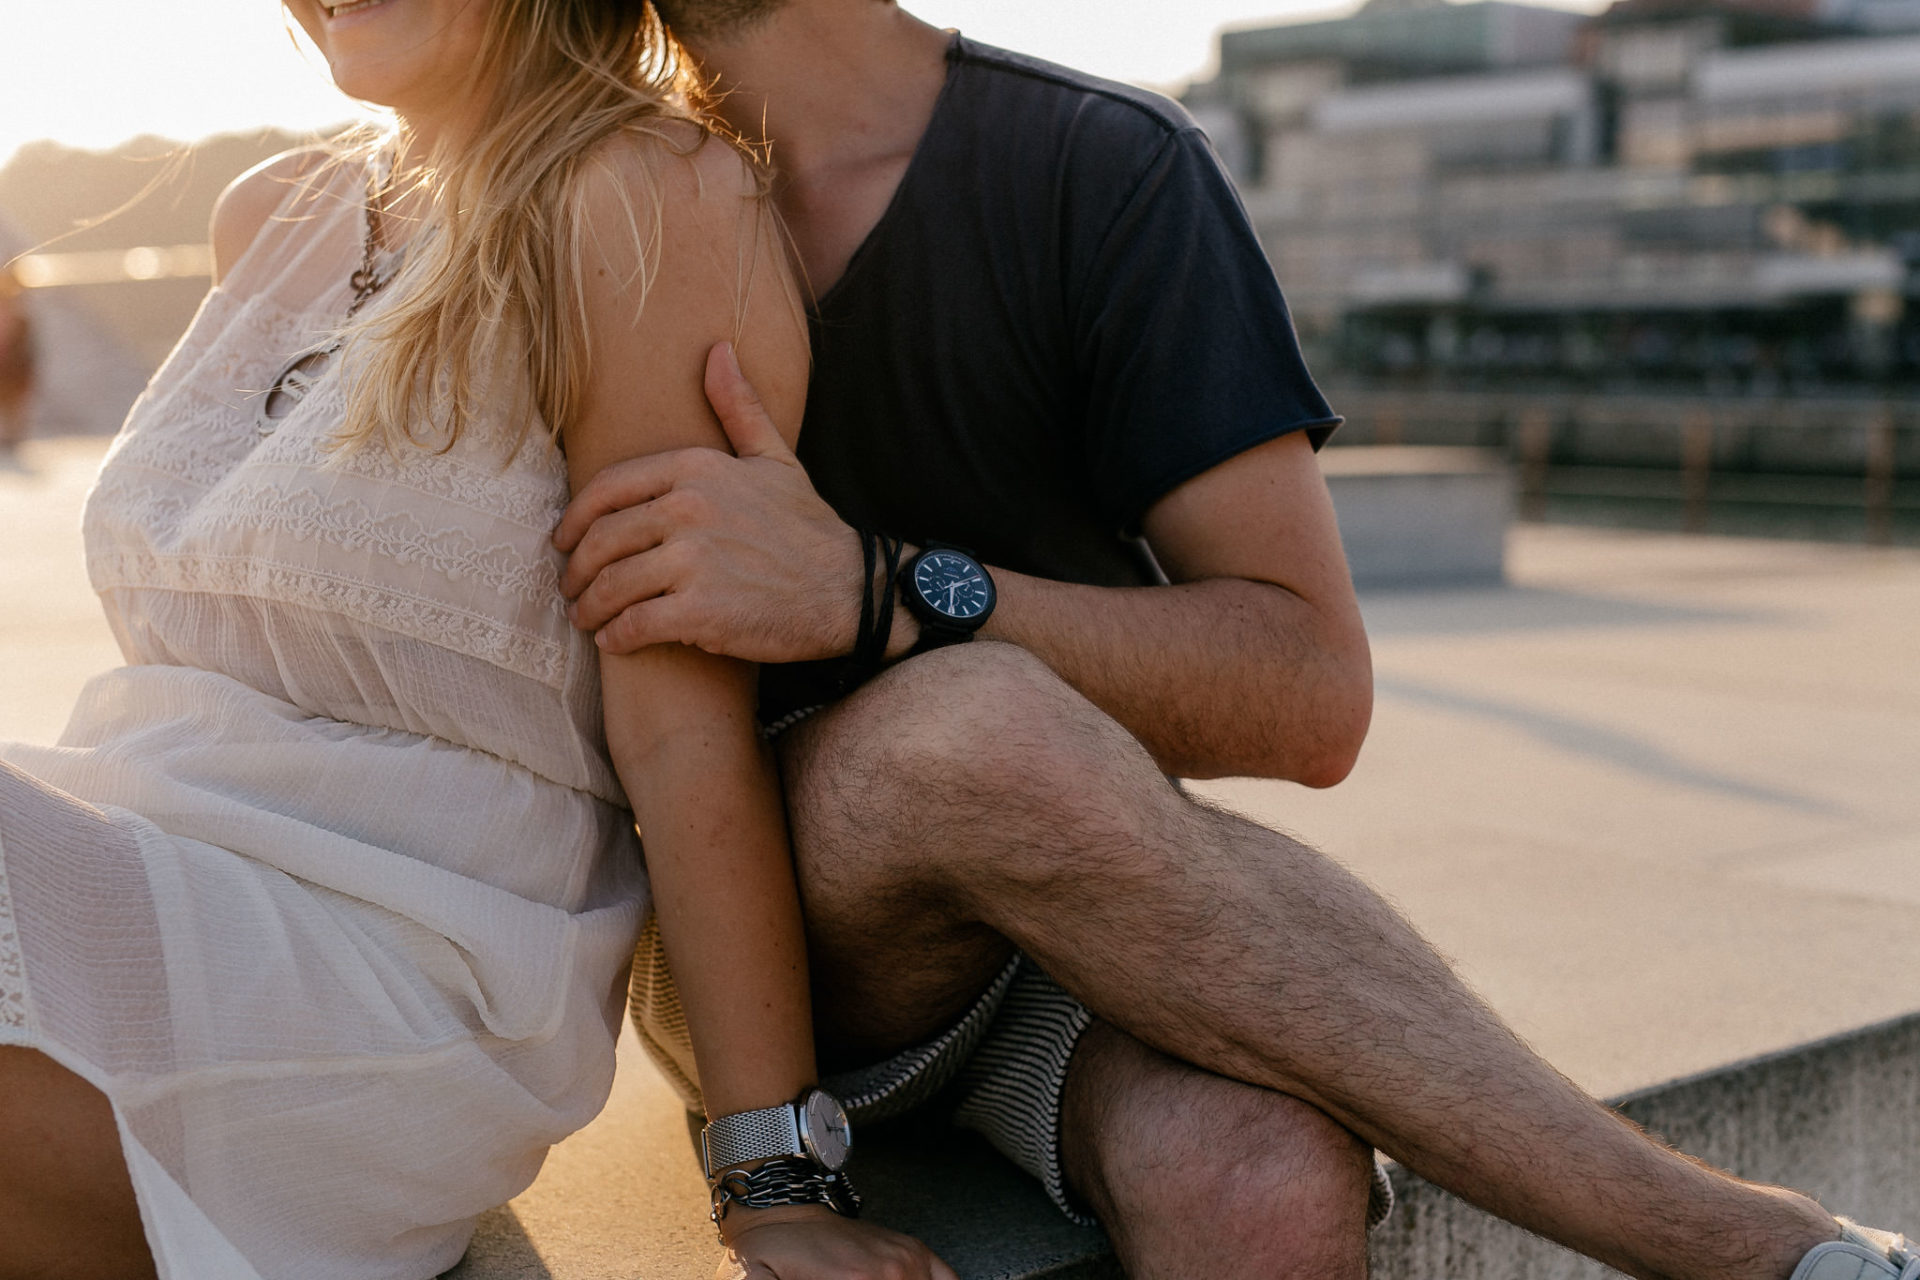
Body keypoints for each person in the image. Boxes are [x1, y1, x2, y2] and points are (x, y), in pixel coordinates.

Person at [555, 2, 1920, 1278]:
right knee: (971, 729)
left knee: (1265, 1185)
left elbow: (1308, 693)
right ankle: (1749, 1248)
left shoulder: (1103, 168)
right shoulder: (589, 190)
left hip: (1067, 933)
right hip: (765, 940)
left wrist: (886, 591)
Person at [0, 2, 954, 1278]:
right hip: (134, 873)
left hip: (388, 970)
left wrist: (774, 1179)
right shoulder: (274, 210)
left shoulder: (639, 197)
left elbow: (678, 730)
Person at [0, 271, 34, 457]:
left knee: (13, 405)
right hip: (7, 368)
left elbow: (26, 348)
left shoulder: (20, 320)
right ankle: (10, 434)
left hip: (14, 368)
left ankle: (12, 434)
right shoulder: (19, 319)